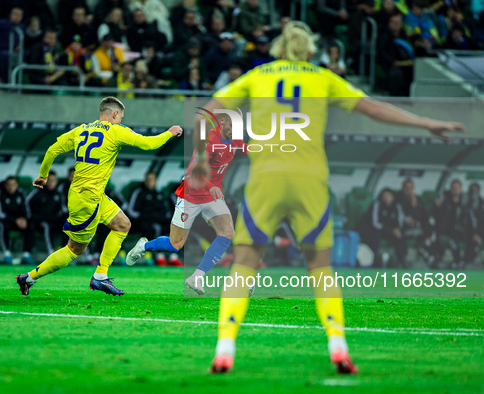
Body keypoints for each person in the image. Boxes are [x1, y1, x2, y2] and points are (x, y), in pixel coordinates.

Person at [189, 21, 464, 375]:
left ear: (278, 49)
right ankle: (338, 346)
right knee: (320, 268)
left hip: (266, 178)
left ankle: (224, 349)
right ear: (309, 50)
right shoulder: (322, 77)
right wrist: (426, 122)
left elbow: (206, 111)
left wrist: (199, 157)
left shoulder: (257, 75)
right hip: (310, 179)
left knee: (244, 263)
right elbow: (373, 108)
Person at [15, 96, 183, 296]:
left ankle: (100, 276)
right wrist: (169, 133)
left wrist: (43, 175)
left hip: (91, 195)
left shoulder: (81, 130)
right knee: (75, 250)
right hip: (86, 200)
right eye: (120, 117)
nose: (120, 120)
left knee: (123, 225)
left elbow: (52, 150)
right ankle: (29, 277)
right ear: (114, 114)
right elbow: (148, 144)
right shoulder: (116, 131)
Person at [127, 112, 246, 292]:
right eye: (231, 125)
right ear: (221, 121)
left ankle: (196, 277)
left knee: (227, 232)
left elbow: (247, 148)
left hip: (212, 196)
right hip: (192, 194)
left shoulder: (234, 139)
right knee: (175, 245)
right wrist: (211, 186)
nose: (235, 130)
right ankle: (144, 246)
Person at [359, 188, 407, 267]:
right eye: (384, 196)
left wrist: (397, 230)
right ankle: (375, 260)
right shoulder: (377, 205)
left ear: (393, 197)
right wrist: (391, 230)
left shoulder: (397, 206)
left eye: (389, 196)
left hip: (392, 231)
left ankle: (401, 260)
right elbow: (375, 223)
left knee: (401, 235)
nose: (386, 198)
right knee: (375, 235)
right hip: (379, 229)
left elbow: (401, 221)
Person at [0, 176, 35, 264]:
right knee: (4, 225)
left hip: (18, 221)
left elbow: (26, 209)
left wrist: (23, 219)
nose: (11, 187)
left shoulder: (21, 193)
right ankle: (7, 253)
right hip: (5, 219)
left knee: (30, 225)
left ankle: (26, 254)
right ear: (5, 185)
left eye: (13, 185)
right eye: (9, 185)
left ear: (17, 185)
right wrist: (15, 220)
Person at [25, 171, 67, 255]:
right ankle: (51, 252)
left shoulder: (58, 194)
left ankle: (65, 251)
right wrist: (29, 217)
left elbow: (62, 209)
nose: (51, 183)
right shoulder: (37, 192)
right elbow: (26, 204)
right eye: (49, 180)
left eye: (53, 180)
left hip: (53, 219)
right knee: (47, 225)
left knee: (68, 224)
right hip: (39, 220)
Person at [398, 178, 436, 266]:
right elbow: (399, 215)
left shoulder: (418, 199)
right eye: (406, 188)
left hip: (418, 224)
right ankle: (402, 261)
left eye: (410, 188)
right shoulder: (398, 200)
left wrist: (416, 220)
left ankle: (426, 246)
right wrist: (408, 221)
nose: (409, 190)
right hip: (404, 226)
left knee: (430, 225)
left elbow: (425, 213)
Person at [127, 171, 171, 243]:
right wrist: (144, 216)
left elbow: (167, 211)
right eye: (147, 179)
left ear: (156, 180)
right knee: (147, 227)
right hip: (143, 221)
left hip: (159, 220)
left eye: (152, 179)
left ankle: (167, 252)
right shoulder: (139, 192)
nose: (149, 182)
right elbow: (131, 211)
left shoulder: (159, 193)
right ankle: (149, 251)